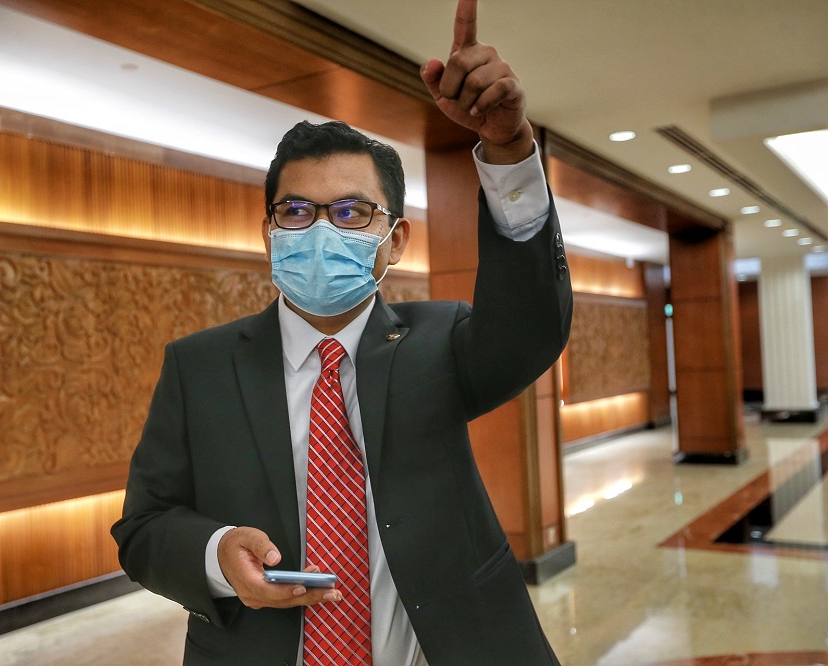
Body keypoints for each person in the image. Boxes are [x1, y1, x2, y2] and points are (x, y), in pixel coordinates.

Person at [111, 1, 571, 663]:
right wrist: (215, 555)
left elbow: (531, 329)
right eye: (296, 210)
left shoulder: (438, 343)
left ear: (396, 241)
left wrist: (506, 150)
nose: (320, 230)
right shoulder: (199, 367)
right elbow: (143, 528)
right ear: (269, 231)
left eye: (353, 211)